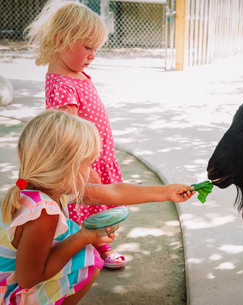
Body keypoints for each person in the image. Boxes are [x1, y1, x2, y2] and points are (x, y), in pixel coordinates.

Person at [0, 110, 194, 304]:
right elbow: (29, 278)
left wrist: (166, 192)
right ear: (66, 168)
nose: (91, 172)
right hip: (9, 292)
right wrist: (83, 237)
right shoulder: (43, 213)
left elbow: (114, 192)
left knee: (82, 250)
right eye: (88, 164)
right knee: (88, 260)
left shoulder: (44, 189)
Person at [26, 0, 126, 268]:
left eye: (96, 48)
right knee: (92, 205)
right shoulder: (61, 84)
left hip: (99, 156)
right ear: (61, 40)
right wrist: (86, 169)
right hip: (85, 162)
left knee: (101, 206)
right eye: (88, 47)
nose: (93, 55)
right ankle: (99, 247)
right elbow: (69, 138)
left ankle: (97, 242)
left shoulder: (76, 73)